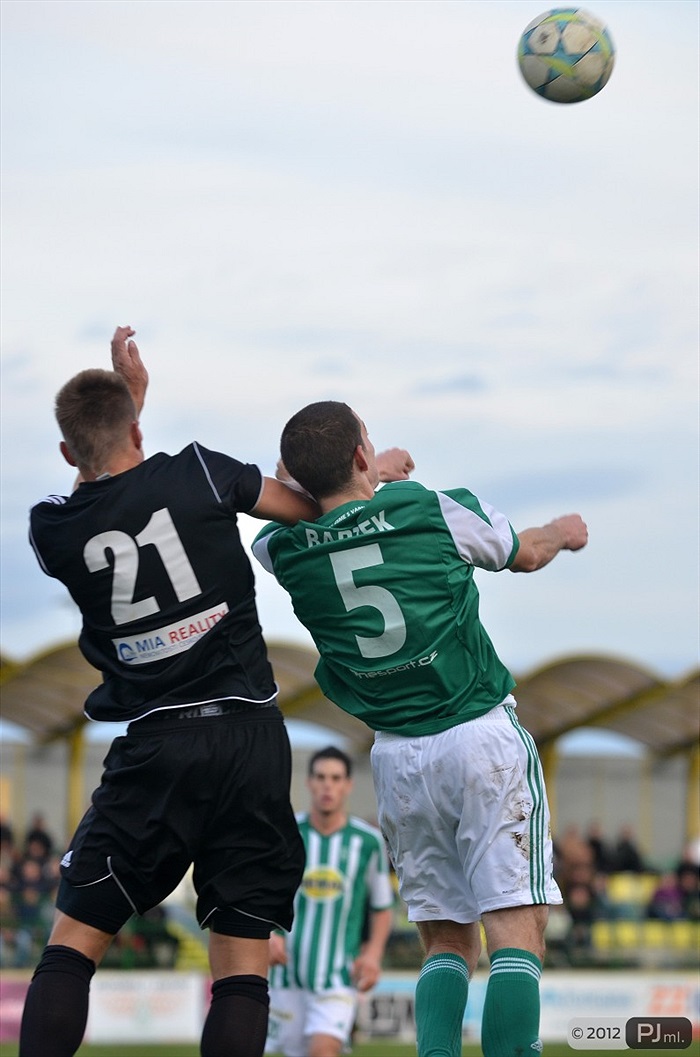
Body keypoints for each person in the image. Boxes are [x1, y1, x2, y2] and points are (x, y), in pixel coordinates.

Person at [251, 400, 589, 1057]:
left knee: (445, 940)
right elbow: (525, 553)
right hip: (478, 734)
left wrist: (359, 475)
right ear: (357, 456)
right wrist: (562, 529)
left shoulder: (282, 550)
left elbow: (286, 509)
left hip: (399, 761)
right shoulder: (430, 507)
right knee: (517, 929)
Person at [19, 326, 321, 1057]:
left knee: (73, 945)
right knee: (243, 968)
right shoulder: (203, 473)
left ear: (66, 452)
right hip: (251, 735)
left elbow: (103, 491)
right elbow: (306, 509)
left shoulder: (52, 530)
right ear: (138, 426)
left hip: (159, 741)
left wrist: (124, 418)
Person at [266, 745, 394, 1057]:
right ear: (309, 782)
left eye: (336, 778)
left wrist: (373, 954)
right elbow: (264, 893)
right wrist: (267, 933)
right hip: (286, 974)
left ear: (348, 785)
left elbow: (381, 907)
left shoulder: (367, 841)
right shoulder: (287, 833)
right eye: (321, 777)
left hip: (337, 976)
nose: (328, 785)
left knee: (323, 1052)